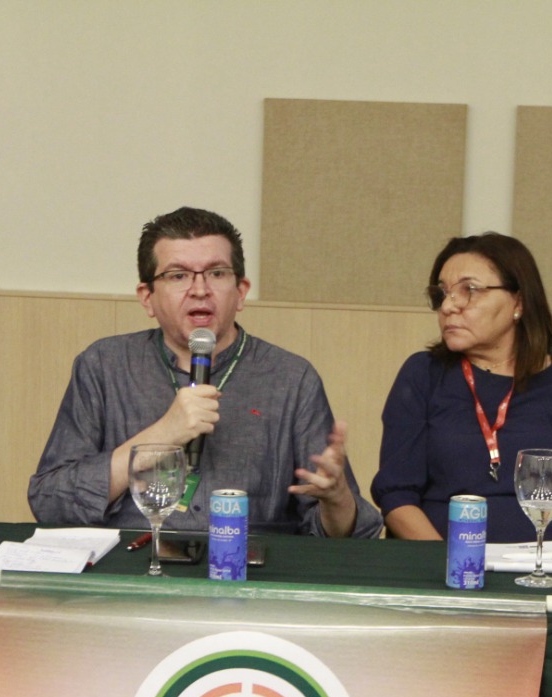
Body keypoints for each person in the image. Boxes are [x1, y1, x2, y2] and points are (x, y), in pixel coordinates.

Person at [29, 206, 382, 537]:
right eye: (178, 275)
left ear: (241, 292)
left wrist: (337, 501)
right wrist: (162, 435)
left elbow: (346, 533)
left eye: (216, 273)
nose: (200, 290)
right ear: (147, 297)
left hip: (248, 569)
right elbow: (50, 502)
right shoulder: (104, 365)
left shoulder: (291, 378)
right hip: (131, 562)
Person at [370, 232, 552, 545]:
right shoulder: (422, 375)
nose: (448, 306)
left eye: (469, 290)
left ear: (519, 302)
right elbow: (396, 494)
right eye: (442, 294)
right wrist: (451, 561)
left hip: (545, 564)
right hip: (434, 562)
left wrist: (545, 563)